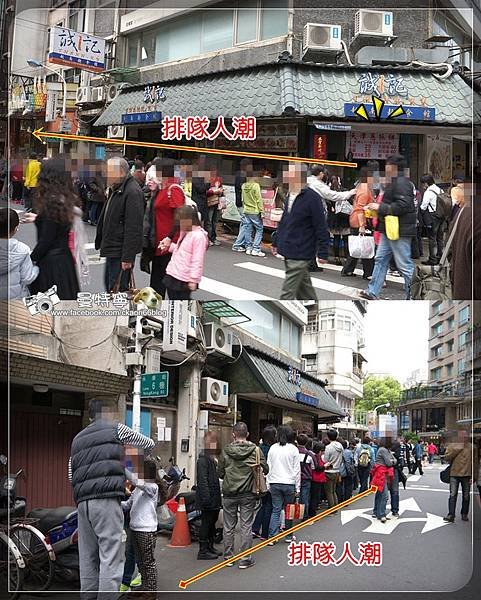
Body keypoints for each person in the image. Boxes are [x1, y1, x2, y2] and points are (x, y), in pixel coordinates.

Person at [69, 398, 154, 597]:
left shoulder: (77, 439)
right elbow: (147, 443)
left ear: (90, 416)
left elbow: (71, 475)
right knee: (111, 557)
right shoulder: (116, 429)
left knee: (88, 557)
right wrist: (129, 454)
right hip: (106, 500)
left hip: (82, 504)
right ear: (108, 414)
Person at [360, 155, 416, 300]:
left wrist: (379, 207)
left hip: (398, 230)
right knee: (380, 259)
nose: (385, 168)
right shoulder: (395, 182)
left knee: (404, 265)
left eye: (387, 165)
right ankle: (372, 291)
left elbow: (403, 206)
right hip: (389, 229)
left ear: (394, 167)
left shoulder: (402, 183)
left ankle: (414, 295)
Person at [274, 163, 329, 300]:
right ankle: (314, 307)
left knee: (287, 294)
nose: (287, 176)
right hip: (288, 248)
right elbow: (284, 221)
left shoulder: (312, 198)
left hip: (301, 250)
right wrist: (276, 242)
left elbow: (320, 226)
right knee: (305, 292)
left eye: (290, 174)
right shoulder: (290, 194)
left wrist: (323, 251)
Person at [217, 422, 268, 570]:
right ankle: (245, 559)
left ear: (233, 434)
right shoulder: (255, 450)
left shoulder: (226, 451)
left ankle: (228, 558)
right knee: (246, 526)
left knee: (228, 526)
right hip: (248, 494)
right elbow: (266, 468)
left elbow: (220, 472)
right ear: (247, 435)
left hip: (228, 493)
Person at [29, 158, 80, 300]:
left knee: (48, 309)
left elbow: (46, 239)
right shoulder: (64, 199)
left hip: (51, 265)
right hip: (64, 262)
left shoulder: (51, 201)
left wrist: (30, 259)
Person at [95, 157, 144, 293]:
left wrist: (127, 257)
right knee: (110, 287)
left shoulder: (132, 192)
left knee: (117, 290)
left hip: (120, 251)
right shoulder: (116, 188)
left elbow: (133, 228)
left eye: (109, 171)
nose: (106, 174)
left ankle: (118, 314)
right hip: (112, 248)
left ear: (121, 172)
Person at [142, 159, 186, 295]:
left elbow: (181, 216)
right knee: (156, 284)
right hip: (158, 244)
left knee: (171, 286)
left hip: (170, 246)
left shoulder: (174, 189)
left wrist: (169, 238)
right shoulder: (161, 188)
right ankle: (153, 313)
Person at [121, 457, 159, 595]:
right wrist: (113, 503)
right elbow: (127, 505)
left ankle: (152, 591)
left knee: (148, 562)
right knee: (141, 562)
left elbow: (137, 481)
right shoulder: (138, 489)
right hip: (135, 528)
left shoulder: (152, 487)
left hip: (146, 531)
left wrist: (123, 467)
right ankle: (145, 586)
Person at [163, 204, 209, 300]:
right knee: (173, 300)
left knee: (181, 303)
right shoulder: (186, 231)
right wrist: (169, 247)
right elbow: (182, 250)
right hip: (174, 272)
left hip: (183, 277)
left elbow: (197, 260)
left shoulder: (198, 237)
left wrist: (193, 280)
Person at [266, 425, 300, 544]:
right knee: (288, 510)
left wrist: (268, 483)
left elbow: (268, 467)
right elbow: (297, 470)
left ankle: (272, 537)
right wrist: (298, 487)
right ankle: (288, 536)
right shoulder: (293, 449)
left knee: (276, 510)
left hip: (274, 482)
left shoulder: (273, 448)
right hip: (289, 483)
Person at [342, 165, 375, 279]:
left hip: (355, 218)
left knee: (358, 245)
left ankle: (348, 270)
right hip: (360, 220)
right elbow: (360, 208)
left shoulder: (361, 187)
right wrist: (362, 225)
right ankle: (368, 273)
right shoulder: (365, 190)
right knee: (366, 246)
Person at [0, 208, 38, 300]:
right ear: (16, 229)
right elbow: (27, 278)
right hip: (13, 300)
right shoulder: (22, 250)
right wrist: (36, 269)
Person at [195, 431, 222, 560]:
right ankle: (203, 550)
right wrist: (206, 498)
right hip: (208, 498)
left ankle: (210, 546)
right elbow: (203, 480)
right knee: (206, 523)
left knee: (212, 523)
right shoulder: (202, 460)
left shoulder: (211, 458)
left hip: (214, 497)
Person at [443, 432, 478, 523]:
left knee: (466, 496)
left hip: (467, 475)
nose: (463, 438)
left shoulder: (472, 447)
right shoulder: (453, 446)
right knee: (452, 495)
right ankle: (451, 514)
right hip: (454, 474)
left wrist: (474, 476)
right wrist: (456, 450)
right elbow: (446, 458)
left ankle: (464, 513)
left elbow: (475, 462)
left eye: (465, 436)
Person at [232, 169, 265, 256]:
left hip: (246, 210)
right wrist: (262, 211)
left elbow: (243, 199)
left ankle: (248, 248)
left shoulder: (244, 186)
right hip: (255, 210)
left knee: (248, 228)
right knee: (259, 229)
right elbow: (259, 200)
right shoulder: (255, 186)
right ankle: (256, 248)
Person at [252, 425, 277, 540]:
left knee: (263, 505)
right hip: (271, 479)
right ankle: (265, 533)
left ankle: (255, 528)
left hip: (260, 480)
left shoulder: (258, 448)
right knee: (269, 506)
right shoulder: (274, 449)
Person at [420, 174, 445, 266]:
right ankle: (440, 256)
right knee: (440, 238)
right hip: (441, 216)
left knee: (432, 238)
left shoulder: (428, 192)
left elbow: (423, 206)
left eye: (423, 184)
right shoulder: (440, 189)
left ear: (426, 183)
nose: (423, 186)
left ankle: (432, 259)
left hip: (433, 216)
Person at [370, 438, 396, 523]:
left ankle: (376, 512)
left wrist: (392, 460)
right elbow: (390, 462)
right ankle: (381, 514)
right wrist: (392, 461)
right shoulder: (384, 450)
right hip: (382, 474)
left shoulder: (384, 450)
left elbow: (393, 460)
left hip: (380, 474)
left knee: (379, 494)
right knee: (384, 495)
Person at [232, 159, 251, 252]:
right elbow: (243, 190)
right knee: (246, 223)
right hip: (242, 203)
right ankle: (237, 244)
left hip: (240, 202)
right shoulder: (242, 175)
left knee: (244, 223)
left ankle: (241, 243)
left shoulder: (240, 174)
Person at [323, 429, 344, 511]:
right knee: (334, 490)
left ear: (328, 437)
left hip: (329, 471)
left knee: (329, 491)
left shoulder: (328, 447)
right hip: (337, 470)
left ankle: (332, 508)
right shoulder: (340, 446)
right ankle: (335, 505)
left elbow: (325, 460)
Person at [297, 433, 315, 518]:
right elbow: (313, 467)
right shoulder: (310, 454)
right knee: (304, 497)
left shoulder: (293, 452)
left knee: (292, 498)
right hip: (306, 478)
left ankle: (293, 514)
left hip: (294, 478)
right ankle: (304, 516)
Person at [308, 442, 326, 517]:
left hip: (317, 479)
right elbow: (317, 468)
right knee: (315, 497)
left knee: (314, 496)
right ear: (320, 451)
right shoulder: (316, 457)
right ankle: (312, 513)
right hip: (316, 479)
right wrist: (325, 466)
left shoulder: (315, 456)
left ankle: (312, 512)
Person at [205, 174, 224, 247]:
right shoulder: (206, 178)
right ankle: (208, 238)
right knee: (209, 221)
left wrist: (221, 191)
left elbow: (221, 188)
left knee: (215, 221)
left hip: (217, 202)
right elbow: (205, 191)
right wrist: (214, 191)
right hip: (210, 202)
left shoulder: (218, 178)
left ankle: (213, 237)